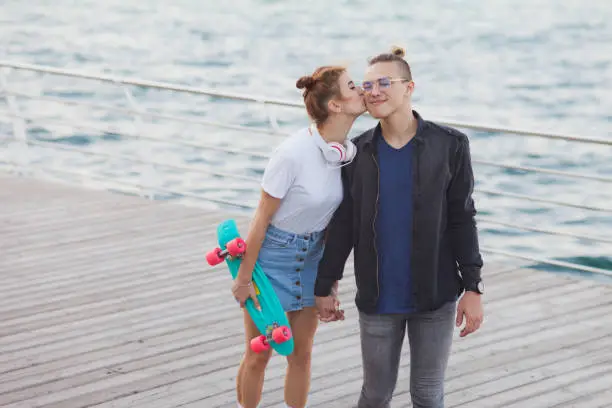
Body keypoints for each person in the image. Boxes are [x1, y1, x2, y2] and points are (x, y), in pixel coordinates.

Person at [314, 46, 485, 408]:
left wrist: (473, 287)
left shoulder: (450, 145)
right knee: (375, 395)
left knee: (427, 395)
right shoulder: (357, 154)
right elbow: (343, 225)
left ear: (409, 87)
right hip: (378, 298)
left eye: (384, 82)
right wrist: (325, 283)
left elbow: (462, 218)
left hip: (435, 297)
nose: (373, 91)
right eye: (367, 84)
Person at [231, 65, 365, 408]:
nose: (362, 88)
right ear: (335, 104)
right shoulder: (291, 154)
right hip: (273, 257)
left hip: (313, 257)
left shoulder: (345, 155)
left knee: (301, 355)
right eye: (353, 85)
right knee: (259, 355)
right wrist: (244, 279)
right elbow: (261, 219)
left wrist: (329, 285)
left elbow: (334, 223)